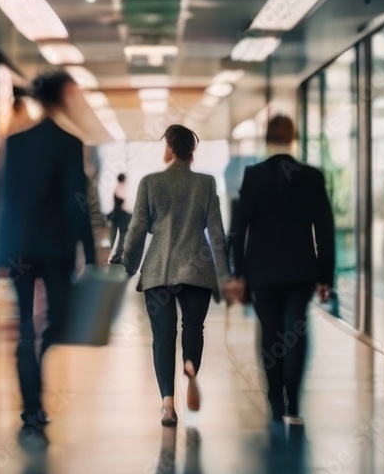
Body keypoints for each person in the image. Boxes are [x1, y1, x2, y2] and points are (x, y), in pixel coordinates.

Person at [0, 71, 96, 433]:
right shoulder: (68, 143)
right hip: (55, 249)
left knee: (26, 325)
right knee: (61, 318)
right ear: (65, 95)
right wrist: (88, 252)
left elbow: (5, 201)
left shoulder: (15, 143)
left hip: (19, 248)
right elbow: (77, 204)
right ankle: (37, 374)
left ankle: (31, 408)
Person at [226, 115, 335, 425]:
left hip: (261, 272)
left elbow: (238, 229)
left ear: (266, 140)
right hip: (301, 270)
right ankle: (294, 403)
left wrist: (239, 273)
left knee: (271, 332)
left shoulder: (254, 175)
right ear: (293, 138)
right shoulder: (311, 176)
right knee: (296, 329)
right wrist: (326, 276)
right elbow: (324, 230)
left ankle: (275, 397)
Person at [123, 124, 232, 426]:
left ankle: (168, 405)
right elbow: (218, 234)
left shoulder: (150, 183)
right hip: (197, 270)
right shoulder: (206, 184)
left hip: (159, 270)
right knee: (193, 328)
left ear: (169, 149)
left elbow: (135, 230)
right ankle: (190, 366)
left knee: (163, 336)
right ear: (191, 152)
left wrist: (130, 266)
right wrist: (223, 278)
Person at [107, 173, 131, 264]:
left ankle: (118, 254)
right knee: (122, 236)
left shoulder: (117, 188)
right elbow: (124, 204)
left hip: (117, 214)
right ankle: (119, 255)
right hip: (121, 215)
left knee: (118, 235)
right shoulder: (122, 189)